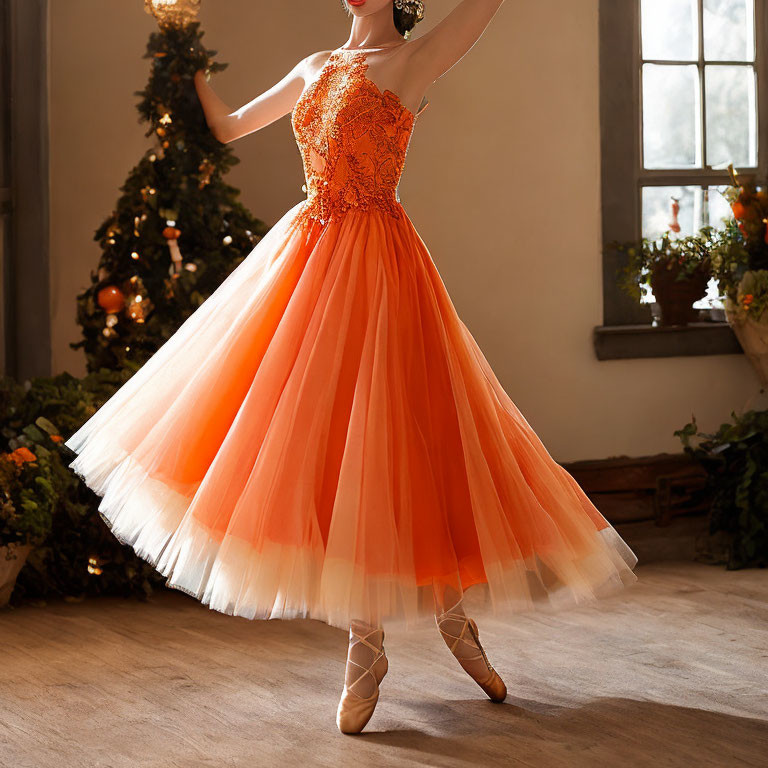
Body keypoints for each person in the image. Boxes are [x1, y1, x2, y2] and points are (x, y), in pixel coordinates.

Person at [66, 0, 638, 736]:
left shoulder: (413, 60)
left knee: (404, 442)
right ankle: (372, 647)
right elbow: (231, 126)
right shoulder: (316, 66)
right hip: (304, 261)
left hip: (379, 269)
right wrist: (188, 59)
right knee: (335, 451)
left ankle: (445, 621)